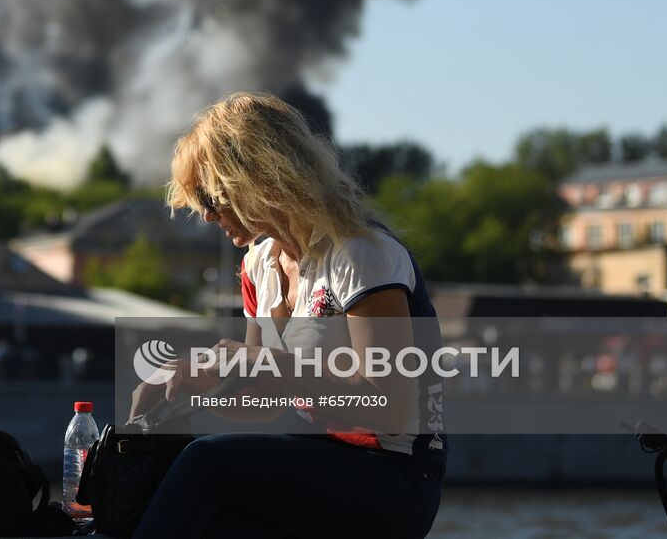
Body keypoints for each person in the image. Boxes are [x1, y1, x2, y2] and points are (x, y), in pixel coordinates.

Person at [131, 92, 445, 539]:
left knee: (207, 464)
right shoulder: (259, 266)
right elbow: (263, 405)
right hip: (318, 457)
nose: (203, 214)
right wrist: (190, 387)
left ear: (257, 177)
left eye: (209, 195)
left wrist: (267, 362)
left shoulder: (361, 254)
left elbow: (389, 407)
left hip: (395, 472)